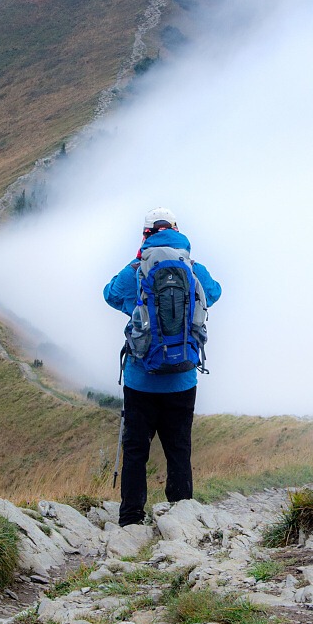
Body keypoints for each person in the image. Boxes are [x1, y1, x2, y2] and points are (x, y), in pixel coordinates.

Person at [103, 207, 221, 526]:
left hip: (141, 379)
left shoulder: (137, 269)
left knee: (137, 451)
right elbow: (215, 293)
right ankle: (181, 518)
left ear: (146, 234)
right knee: (178, 447)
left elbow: (110, 295)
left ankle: (130, 518)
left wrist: (137, 268)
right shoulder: (191, 266)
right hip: (183, 378)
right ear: (176, 229)